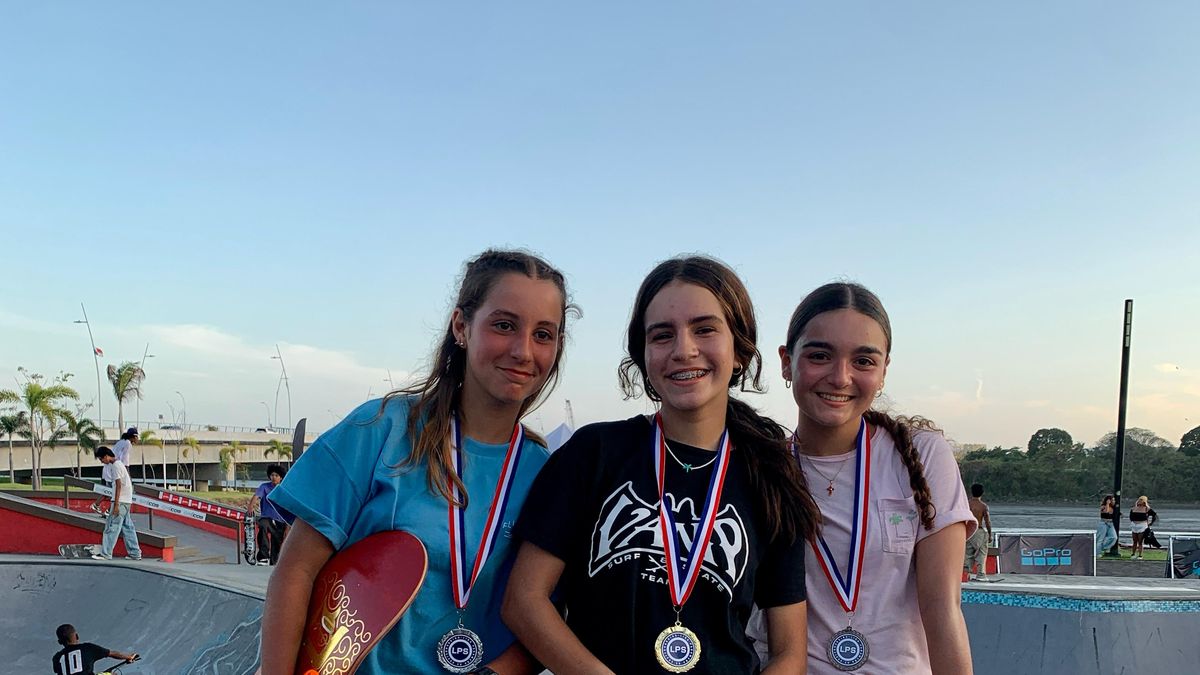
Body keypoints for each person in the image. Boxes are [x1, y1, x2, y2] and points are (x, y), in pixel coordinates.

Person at [260, 249, 575, 674]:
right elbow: (295, 571)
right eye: (504, 325)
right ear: (462, 326)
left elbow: (541, 617)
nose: (523, 350)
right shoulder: (380, 430)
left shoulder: (546, 473)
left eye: (544, 334)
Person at [504, 256, 821, 674]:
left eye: (704, 329)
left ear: (739, 350)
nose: (683, 349)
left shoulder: (771, 474)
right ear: (644, 356)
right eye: (662, 335)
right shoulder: (595, 452)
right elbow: (524, 601)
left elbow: (789, 653)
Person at [770, 282, 975, 674]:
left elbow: (942, 608)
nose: (840, 377)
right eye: (819, 355)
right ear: (786, 361)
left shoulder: (922, 454)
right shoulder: (766, 467)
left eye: (863, 361)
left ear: (883, 372)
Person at [91, 446, 142, 561]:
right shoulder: (120, 464)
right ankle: (135, 553)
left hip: (120, 501)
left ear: (106, 456)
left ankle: (106, 553)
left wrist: (116, 504)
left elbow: (118, 485)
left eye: (101, 459)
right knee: (127, 527)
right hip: (127, 501)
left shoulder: (115, 466)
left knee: (111, 527)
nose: (102, 462)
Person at [51, 624, 138, 675]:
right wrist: (128, 657)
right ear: (77, 636)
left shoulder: (56, 658)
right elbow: (113, 653)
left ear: (59, 642)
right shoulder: (87, 648)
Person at [247, 464, 289, 565]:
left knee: (277, 545)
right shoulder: (264, 487)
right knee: (263, 526)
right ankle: (263, 556)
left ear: (281, 477)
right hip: (267, 518)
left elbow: (289, 510)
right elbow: (256, 496)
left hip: (280, 521)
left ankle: (274, 562)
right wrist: (250, 507)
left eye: (276, 476)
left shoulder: (284, 490)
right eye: (272, 475)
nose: (273, 477)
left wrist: (288, 527)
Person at [89, 427, 137, 515]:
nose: (137, 439)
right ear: (133, 437)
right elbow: (125, 461)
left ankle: (98, 506)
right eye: (136, 436)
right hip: (116, 470)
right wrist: (128, 476)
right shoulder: (127, 443)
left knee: (109, 491)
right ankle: (108, 510)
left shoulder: (121, 441)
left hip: (109, 469)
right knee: (116, 491)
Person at [965, 483, 993, 581]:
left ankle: (965, 574)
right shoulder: (983, 506)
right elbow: (987, 521)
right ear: (982, 493)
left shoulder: (966, 504)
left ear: (971, 492)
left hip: (968, 531)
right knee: (981, 553)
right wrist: (990, 534)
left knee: (967, 554)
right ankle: (981, 575)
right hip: (979, 531)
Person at [1128, 495, 1156, 560]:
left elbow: (1154, 515)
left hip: (1142, 525)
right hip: (1134, 525)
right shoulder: (1133, 508)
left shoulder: (1147, 509)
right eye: (1139, 500)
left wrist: (1151, 523)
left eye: (1142, 500)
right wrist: (1133, 522)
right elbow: (1131, 517)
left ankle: (1140, 555)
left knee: (1140, 541)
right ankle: (1133, 554)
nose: (1140, 501)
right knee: (1134, 540)